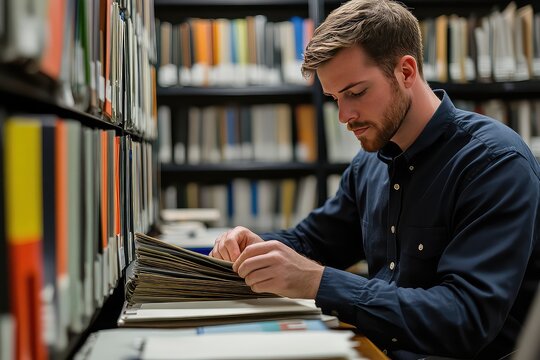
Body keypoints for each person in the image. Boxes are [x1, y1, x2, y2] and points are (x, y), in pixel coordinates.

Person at [209, 0, 540, 358]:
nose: (344, 116)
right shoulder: (371, 161)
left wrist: (317, 281)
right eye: (335, 98)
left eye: (356, 92)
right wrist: (254, 245)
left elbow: (464, 318)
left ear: (407, 72)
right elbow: (314, 241)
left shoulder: (493, 164)